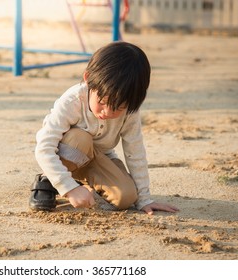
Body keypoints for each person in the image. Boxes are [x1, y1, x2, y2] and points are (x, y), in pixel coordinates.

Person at [29, 41, 179, 215]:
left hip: (99, 158)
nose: (107, 112)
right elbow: (44, 147)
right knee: (80, 138)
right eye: (102, 102)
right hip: (70, 151)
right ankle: (48, 179)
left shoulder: (130, 111)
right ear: (88, 79)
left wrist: (144, 199)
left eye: (119, 108)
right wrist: (69, 188)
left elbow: (135, 152)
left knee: (126, 198)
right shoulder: (72, 101)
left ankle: (82, 182)